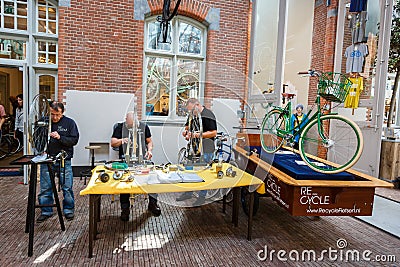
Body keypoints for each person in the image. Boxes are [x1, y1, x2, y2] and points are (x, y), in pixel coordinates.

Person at [111, 111, 161, 221]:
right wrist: (122, 140)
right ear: (126, 120)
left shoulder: (144, 127)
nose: (132, 126)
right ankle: (125, 209)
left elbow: (149, 141)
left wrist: (150, 150)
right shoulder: (120, 127)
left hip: (142, 158)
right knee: (125, 183)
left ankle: (153, 204)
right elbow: (113, 142)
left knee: (152, 179)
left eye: (134, 124)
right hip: (126, 159)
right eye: (130, 124)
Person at [37, 101, 79, 223]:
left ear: (62, 112)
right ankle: (46, 210)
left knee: (67, 187)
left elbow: (74, 140)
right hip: (47, 160)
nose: (54, 117)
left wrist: (60, 137)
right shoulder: (43, 122)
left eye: (57, 114)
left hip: (63, 160)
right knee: (45, 187)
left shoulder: (69, 123)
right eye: (52, 114)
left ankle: (68, 210)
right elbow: (35, 137)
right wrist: (41, 150)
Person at [176, 98, 217, 206]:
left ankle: (201, 197)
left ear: (197, 105)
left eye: (192, 110)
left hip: (206, 149)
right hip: (192, 149)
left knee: (203, 174)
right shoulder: (192, 114)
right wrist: (186, 132)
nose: (191, 113)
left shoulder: (208, 114)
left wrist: (199, 135)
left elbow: (213, 133)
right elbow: (187, 127)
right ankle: (188, 192)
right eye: (190, 111)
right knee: (189, 171)